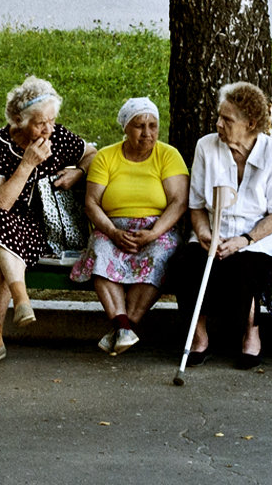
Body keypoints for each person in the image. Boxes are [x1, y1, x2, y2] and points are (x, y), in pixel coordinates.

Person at [0, 76, 96, 364]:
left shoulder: (56, 137)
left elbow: (91, 153)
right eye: (39, 123)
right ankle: (20, 299)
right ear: (18, 120)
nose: (48, 129)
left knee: (2, 243)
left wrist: (79, 172)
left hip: (36, 229)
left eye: (51, 120)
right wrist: (27, 164)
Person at [170, 82, 272, 370]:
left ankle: (251, 334)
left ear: (251, 124)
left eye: (227, 119)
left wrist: (244, 240)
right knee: (185, 264)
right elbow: (197, 205)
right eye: (219, 117)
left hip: (257, 238)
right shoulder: (206, 146)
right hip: (213, 231)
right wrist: (203, 233)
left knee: (243, 269)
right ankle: (198, 337)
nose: (218, 124)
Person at [69, 97, 189, 355]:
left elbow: (179, 202)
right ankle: (124, 328)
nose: (147, 133)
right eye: (139, 126)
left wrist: (153, 233)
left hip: (157, 228)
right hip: (112, 228)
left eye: (153, 125)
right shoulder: (106, 157)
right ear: (125, 128)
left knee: (160, 254)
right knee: (100, 249)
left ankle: (124, 327)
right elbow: (92, 203)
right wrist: (112, 232)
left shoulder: (168, 155)